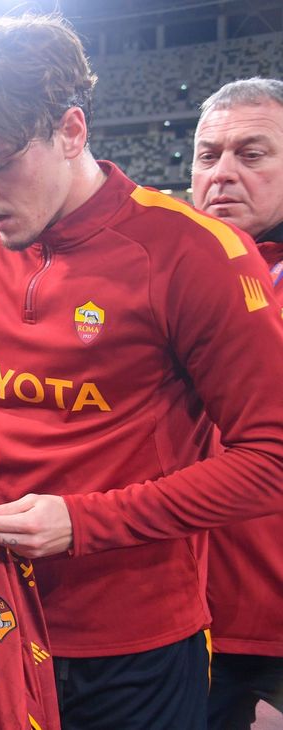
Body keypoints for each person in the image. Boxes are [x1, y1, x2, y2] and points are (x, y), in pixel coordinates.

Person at [0, 15, 283, 729]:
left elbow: (270, 459)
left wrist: (83, 522)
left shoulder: (196, 254)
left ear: (71, 130)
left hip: (140, 641)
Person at [190, 77, 283, 729]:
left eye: (252, 154)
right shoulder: (152, 278)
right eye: (207, 154)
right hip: (189, 621)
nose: (222, 173)